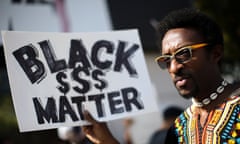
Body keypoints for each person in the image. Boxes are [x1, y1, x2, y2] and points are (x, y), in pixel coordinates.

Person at [81, 8, 240, 144]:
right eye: (166, 60)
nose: (174, 67)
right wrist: (107, 140)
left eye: (184, 54)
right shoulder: (180, 127)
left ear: (215, 53)